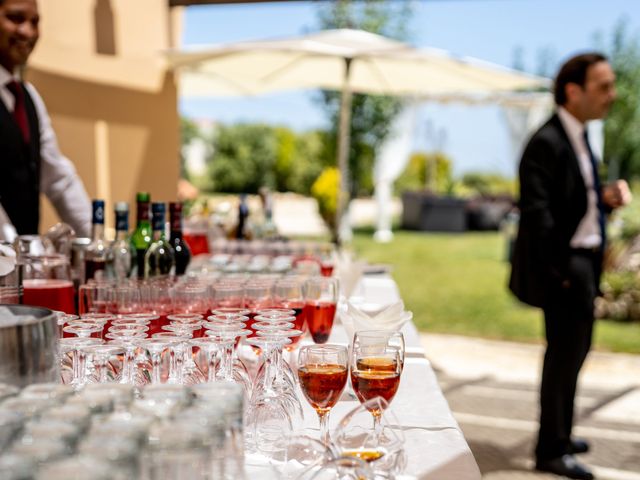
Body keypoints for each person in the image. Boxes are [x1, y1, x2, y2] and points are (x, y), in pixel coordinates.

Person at [509, 52, 631, 480]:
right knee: (562, 358)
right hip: (565, 271)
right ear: (572, 91)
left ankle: (563, 432)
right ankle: (551, 449)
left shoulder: (579, 134)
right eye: (604, 87)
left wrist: (602, 197)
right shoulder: (547, 141)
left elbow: (570, 201)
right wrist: (562, 275)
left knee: (575, 355)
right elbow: (538, 215)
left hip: (583, 266)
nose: (612, 95)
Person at [0, 0, 90, 240]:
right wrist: (23, 251)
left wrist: (95, 241)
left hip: (19, 269)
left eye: (35, 22)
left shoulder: (28, 96)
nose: (27, 32)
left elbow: (59, 178)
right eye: (15, 18)